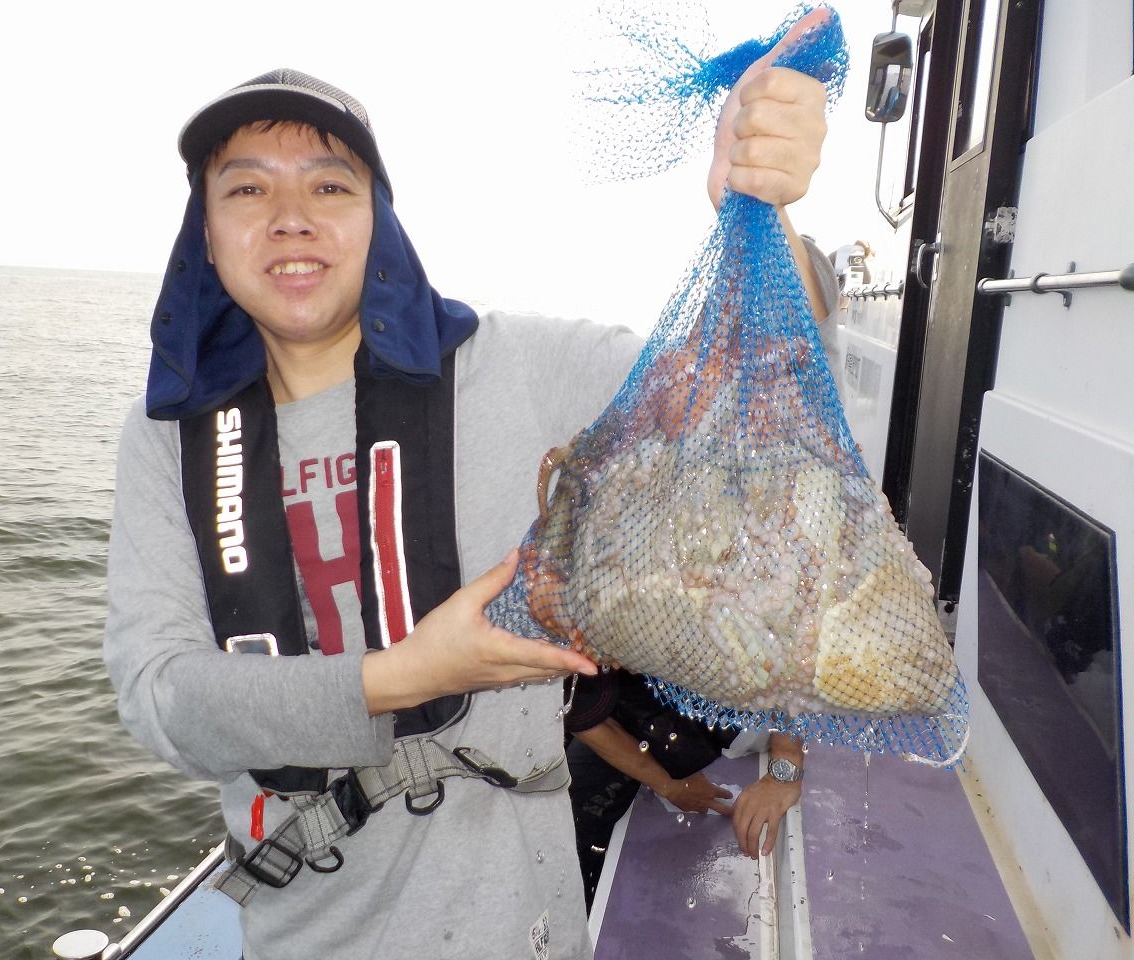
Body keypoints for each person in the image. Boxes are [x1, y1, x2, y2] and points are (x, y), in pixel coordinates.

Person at [103, 13, 839, 958]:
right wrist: (411, 675)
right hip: (301, 934)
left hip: (518, 925)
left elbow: (752, 391)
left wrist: (757, 212)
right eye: (247, 187)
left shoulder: (513, 367)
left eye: (330, 184)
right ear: (204, 234)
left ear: (379, 220)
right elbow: (161, 700)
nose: (291, 215)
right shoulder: (167, 440)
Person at [564, 668, 805, 911]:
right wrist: (668, 784)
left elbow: (792, 661)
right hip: (625, 706)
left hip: (740, 715)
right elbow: (581, 714)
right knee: (573, 829)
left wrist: (783, 770)